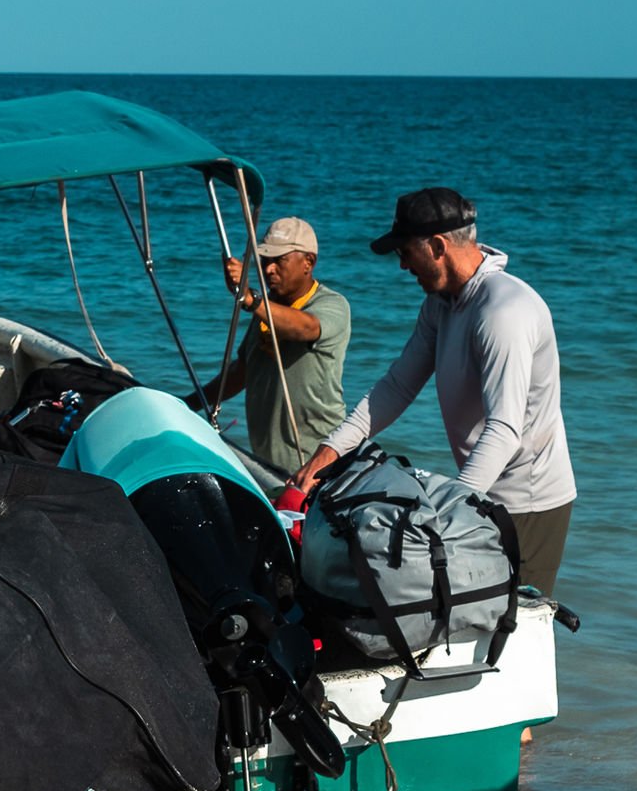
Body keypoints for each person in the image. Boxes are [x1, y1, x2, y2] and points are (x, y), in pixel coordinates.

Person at [290, 188, 576, 594]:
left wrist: (449, 510)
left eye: (406, 252)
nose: (403, 266)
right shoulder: (442, 304)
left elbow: (504, 428)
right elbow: (397, 386)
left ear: (438, 246)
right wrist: (331, 451)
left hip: (528, 504)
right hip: (481, 492)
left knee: (510, 628)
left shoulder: (502, 312)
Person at [189, 217, 350, 473]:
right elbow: (242, 371)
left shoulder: (331, 304)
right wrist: (189, 405)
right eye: (265, 260)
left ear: (309, 262)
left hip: (318, 462)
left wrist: (251, 299)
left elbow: (306, 327)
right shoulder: (266, 309)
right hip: (267, 462)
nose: (269, 269)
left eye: (279, 260)